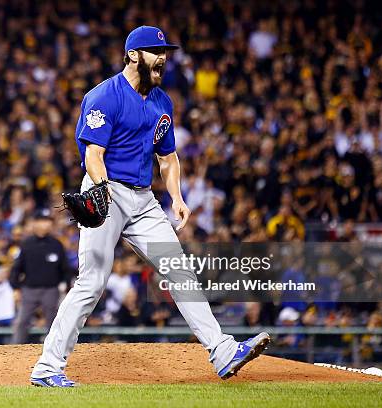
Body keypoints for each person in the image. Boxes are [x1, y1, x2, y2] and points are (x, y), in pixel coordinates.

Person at [30, 26, 270, 387]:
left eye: (165, 52)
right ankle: (47, 368)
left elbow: (168, 158)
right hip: (106, 189)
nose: (163, 58)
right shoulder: (104, 97)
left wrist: (177, 196)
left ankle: (222, 352)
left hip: (144, 200)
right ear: (132, 55)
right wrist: (99, 190)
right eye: (155, 51)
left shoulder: (162, 101)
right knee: (92, 282)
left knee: (180, 271)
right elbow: (94, 155)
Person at [10, 209, 72, 344]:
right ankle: (14, 350)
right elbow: (17, 268)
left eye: (48, 222)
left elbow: (65, 269)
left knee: (53, 322)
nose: (46, 225)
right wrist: (15, 288)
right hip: (29, 289)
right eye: (43, 221)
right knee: (22, 321)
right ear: (35, 223)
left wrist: (67, 287)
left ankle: (55, 350)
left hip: (51, 290)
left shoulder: (56, 244)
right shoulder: (27, 244)